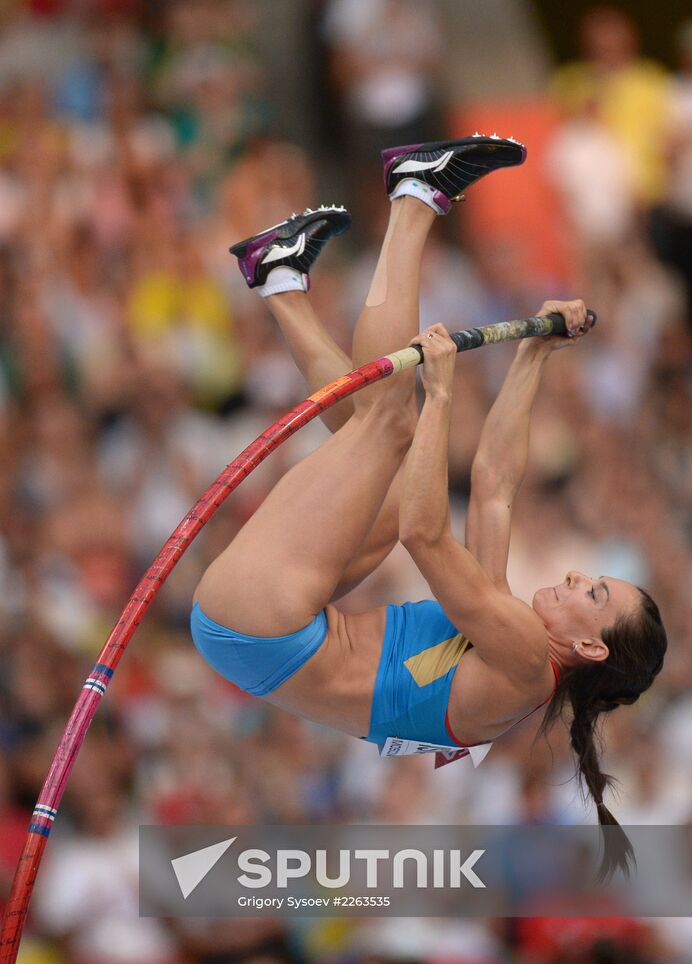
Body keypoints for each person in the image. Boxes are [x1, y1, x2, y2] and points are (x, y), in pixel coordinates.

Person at [191, 136, 667, 876]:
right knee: (373, 440)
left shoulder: (518, 656)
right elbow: (498, 484)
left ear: (592, 648)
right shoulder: (512, 636)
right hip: (274, 631)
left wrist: (441, 393)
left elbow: (425, 530)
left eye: (594, 593)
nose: (578, 577)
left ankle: (415, 196)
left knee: (392, 422)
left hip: (263, 623)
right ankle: (279, 278)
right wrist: (534, 354)